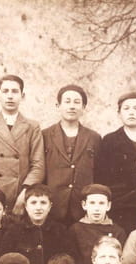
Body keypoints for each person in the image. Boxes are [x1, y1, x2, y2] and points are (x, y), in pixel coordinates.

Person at [0, 74, 44, 215]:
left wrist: (25, 194)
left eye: (15, 91)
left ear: (22, 96)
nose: (10, 96)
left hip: (20, 196)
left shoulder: (32, 126)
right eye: (5, 91)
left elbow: (38, 165)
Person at [98, 92, 136, 234]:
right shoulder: (110, 141)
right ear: (119, 113)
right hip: (119, 207)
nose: (131, 112)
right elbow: (101, 176)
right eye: (126, 108)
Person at [42, 84, 102, 225]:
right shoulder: (44, 135)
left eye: (77, 102)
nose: (72, 106)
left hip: (82, 207)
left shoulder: (94, 137)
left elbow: (99, 173)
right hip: (53, 206)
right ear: (58, 106)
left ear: (83, 107)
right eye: (67, 101)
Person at [0, 184, 66, 264]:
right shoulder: (14, 231)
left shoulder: (60, 231)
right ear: (26, 206)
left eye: (43, 203)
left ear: (50, 206)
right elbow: (2, 263)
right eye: (33, 203)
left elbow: (67, 263)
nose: (38, 207)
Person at [67, 183, 127, 264]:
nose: (97, 208)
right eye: (92, 203)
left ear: (108, 206)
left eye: (101, 203)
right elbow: (72, 262)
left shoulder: (118, 231)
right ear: (84, 205)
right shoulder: (75, 230)